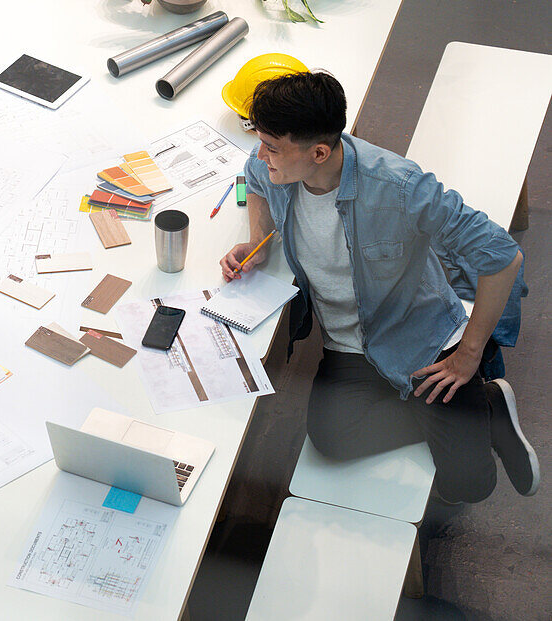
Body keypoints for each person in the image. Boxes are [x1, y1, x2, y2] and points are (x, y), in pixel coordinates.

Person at [220, 70, 539, 503]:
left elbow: (504, 257)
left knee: (468, 487)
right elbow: (254, 182)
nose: (260, 155)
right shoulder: (272, 166)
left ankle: (477, 395)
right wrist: (259, 240)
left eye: (272, 147)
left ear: (318, 152)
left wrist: (469, 354)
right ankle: (478, 405)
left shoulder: (400, 186)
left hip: (418, 339)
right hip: (348, 346)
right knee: (330, 440)